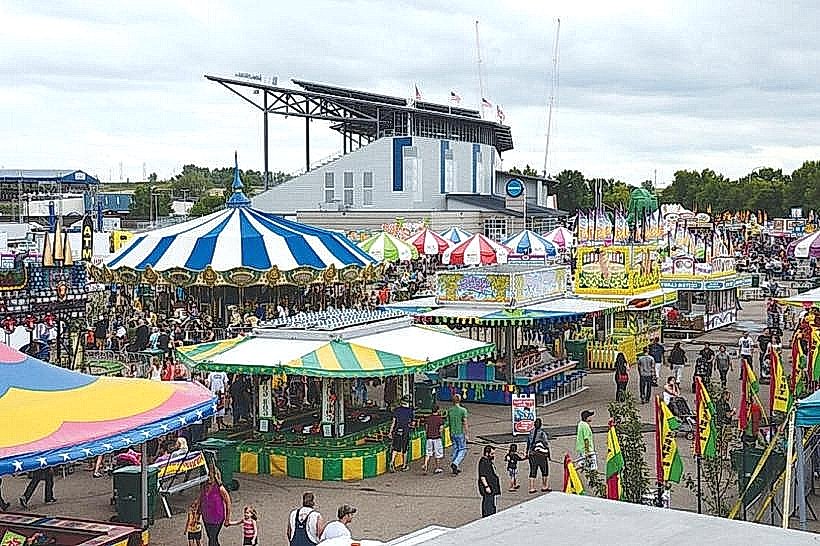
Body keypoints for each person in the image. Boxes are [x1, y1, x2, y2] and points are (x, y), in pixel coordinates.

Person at [199, 466, 232, 546]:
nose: (209, 477)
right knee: (211, 538)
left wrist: (227, 518)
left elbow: (228, 503)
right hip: (206, 517)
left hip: (217, 517)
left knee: (212, 538)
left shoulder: (220, 488)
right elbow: (200, 500)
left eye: (210, 475)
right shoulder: (204, 486)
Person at [389, 395, 415, 472]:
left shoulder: (396, 410)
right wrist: (410, 425)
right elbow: (413, 423)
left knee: (396, 448)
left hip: (397, 431)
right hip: (405, 431)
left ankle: (392, 462)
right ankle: (404, 465)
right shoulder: (410, 411)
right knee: (404, 449)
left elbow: (393, 422)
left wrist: (390, 432)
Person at [526, 418, 551, 493]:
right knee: (544, 470)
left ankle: (531, 487)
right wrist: (548, 455)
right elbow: (546, 444)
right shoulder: (542, 433)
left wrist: (527, 452)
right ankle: (544, 486)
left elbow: (528, 443)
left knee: (533, 470)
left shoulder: (530, 432)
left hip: (532, 454)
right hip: (541, 455)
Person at [447, 394, 469, 475]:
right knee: (462, 449)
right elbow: (465, 423)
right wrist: (466, 434)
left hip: (452, 432)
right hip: (459, 432)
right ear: (460, 400)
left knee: (455, 449)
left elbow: (448, 422)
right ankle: (455, 463)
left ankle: (455, 466)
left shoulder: (450, 410)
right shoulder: (463, 410)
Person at [477, 445, 501, 517]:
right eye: (492, 454)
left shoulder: (488, 461)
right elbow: (482, 476)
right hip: (488, 486)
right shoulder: (483, 462)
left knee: (491, 502)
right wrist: (486, 486)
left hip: (491, 485)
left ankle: (491, 513)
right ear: (487, 453)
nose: (493, 455)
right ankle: (488, 515)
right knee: (488, 502)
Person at [422, 405, 444, 474]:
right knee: (438, 453)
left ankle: (425, 464)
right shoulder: (440, 419)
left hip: (429, 438)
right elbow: (441, 429)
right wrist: (441, 435)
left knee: (428, 452)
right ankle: (437, 468)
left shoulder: (428, 418)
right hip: (437, 438)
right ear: (437, 410)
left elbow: (426, 428)